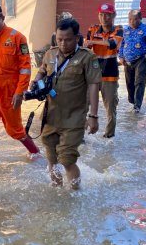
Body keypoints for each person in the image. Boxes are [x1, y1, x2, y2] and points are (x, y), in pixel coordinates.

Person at [34, 18, 101, 189]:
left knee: (67, 159)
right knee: (51, 158)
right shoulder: (50, 54)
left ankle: (74, 193)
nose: (63, 43)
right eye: (59, 39)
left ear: (77, 38)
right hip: (51, 116)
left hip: (74, 118)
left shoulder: (87, 57)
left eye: (68, 39)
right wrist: (36, 84)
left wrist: (93, 115)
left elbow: (94, 85)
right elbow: (41, 72)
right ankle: (56, 189)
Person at [0, 3, 39, 161]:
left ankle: (36, 153)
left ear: (2, 18)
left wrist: (19, 92)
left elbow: (25, 68)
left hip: (9, 94)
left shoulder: (18, 38)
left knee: (15, 129)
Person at [83, 3, 123, 138]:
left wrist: (94, 42)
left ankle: (109, 137)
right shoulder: (92, 28)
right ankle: (81, 134)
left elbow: (112, 44)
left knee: (111, 108)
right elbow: (87, 47)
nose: (104, 17)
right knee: (84, 105)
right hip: (92, 75)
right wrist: (94, 42)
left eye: (107, 15)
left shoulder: (119, 29)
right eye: (101, 14)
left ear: (113, 16)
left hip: (110, 76)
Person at [118, 10, 146, 113]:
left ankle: (137, 107)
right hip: (128, 61)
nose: (132, 22)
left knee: (139, 82)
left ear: (140, 19)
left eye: (135, 19)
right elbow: (122, 43)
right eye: (130, 19)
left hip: (142, 59)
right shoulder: (126, 30)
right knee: (129, 83)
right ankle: (133, 102)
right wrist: (121, 56)